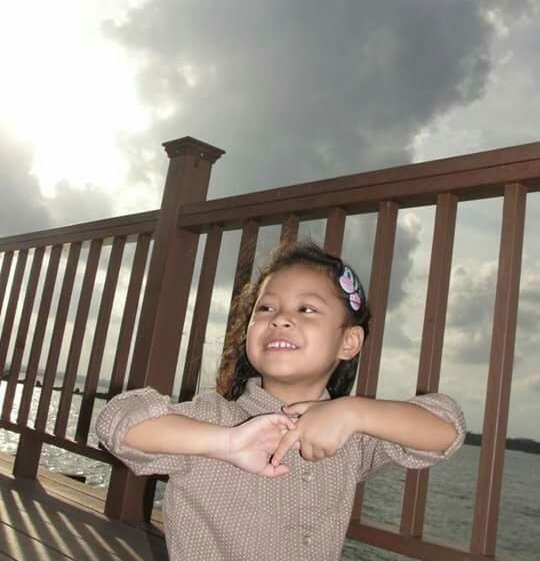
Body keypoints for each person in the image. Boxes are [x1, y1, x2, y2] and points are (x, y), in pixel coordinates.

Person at [96, 240, 465, 561]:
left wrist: (354, 411)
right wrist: (225, 443)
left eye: (306, 309)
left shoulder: (350, 436)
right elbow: (119, 424)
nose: (281, 319)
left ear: (349, 342)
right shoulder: (217, 418)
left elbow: (446, 430)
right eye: (266, 309)